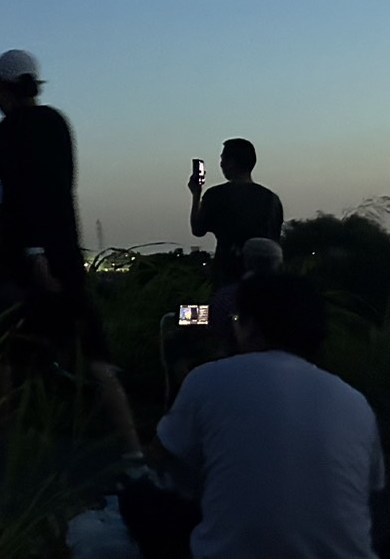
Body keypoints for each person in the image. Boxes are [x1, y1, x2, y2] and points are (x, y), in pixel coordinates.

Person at [0, 49, 141, 457]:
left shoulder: (11, 129)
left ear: (4, 86)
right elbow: (56, 189)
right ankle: (133, 451)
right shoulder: (57, 122)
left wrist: (33, 251)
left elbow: (26, 191)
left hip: (22, 256)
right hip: (64, 249)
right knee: (94, 353)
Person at [141, 272, 384, 558]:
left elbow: (160, 460)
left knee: (142, 500)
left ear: (251, 327)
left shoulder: (207, 378)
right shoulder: (356, 401)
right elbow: (372, 488)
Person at [189, 139, 283, 291]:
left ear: (231, 162)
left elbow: (197, 230)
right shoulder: (272, 199)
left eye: (222, 159)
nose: (221, 164)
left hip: (227, 276)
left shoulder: (216, 195)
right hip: (266, 280)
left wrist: (196, 194)